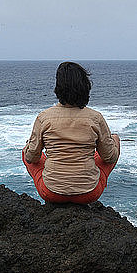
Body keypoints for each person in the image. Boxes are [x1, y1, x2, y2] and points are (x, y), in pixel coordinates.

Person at [22, 61, 120, 204]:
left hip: (51, 192)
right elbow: (110, 157)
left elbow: (32, 158)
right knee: (115, 139)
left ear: (58, 88)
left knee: (26, 151)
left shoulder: (43, 117)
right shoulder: (95, 118)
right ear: (85, 87)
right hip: (89, 193)